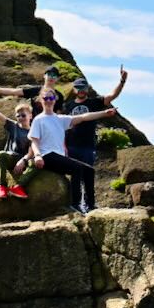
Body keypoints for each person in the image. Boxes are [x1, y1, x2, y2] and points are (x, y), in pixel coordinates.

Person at [28, 87, 116, 212]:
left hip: (59, 157)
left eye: (51, 98)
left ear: (55, 100)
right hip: (46, 156)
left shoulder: (60, 119)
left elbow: (84, 117)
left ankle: (90, 206)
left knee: (89, 170)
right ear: (41, 100)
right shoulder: (38, 119)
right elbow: (34, 141)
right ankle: (75, 204)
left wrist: (104, 113)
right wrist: (37, 155)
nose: (48, 100)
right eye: (45, 98)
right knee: (77, 168)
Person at [64, 65, 128, 211]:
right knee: (75, 176)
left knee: (88, 175)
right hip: (71, 145)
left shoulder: (93, 102)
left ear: (87, 89)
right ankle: (75, 204)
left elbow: (112, 96)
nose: (81, 90)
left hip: (87, 145)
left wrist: (122, 81)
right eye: (78, 88)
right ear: (74, 89)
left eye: (83, 87)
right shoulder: (68, 105)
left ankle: (90, 205)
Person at [0, 64, 65, 116]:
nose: (51, 77)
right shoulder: (35, 90)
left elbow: (59, 114)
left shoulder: (59, 96)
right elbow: (13, 91)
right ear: (44, 76)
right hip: (32, 125)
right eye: (49, 74)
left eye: (54, 75)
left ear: (57, 78)